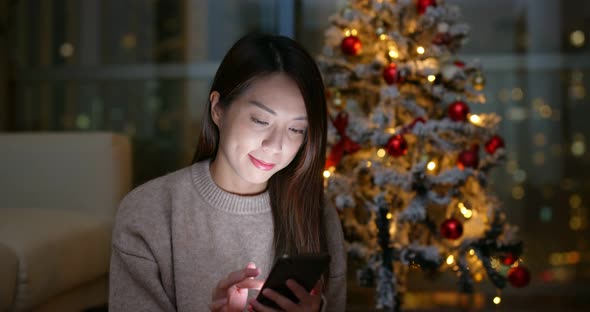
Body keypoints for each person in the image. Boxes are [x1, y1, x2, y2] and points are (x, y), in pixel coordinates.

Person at [108, 33, 346, 312]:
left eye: (296, 129)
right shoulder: (148, 212)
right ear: (218, 109)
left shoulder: (316, 211)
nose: (275, 146)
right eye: (260, 120)